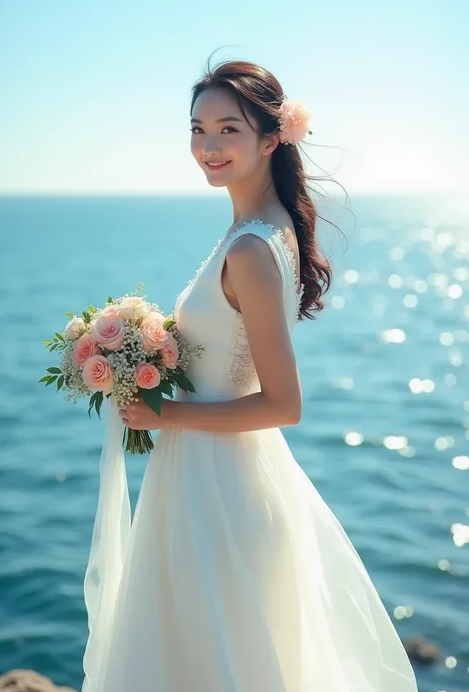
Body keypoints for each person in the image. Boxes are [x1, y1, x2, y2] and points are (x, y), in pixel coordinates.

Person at [81, 56, 419, 691]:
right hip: (213, 471)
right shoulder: (257, 229)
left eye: (228, 130)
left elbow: (284, 403)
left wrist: (169, 412)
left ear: (270, 139)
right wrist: (153, 355)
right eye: (198, 129)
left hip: (220, 488)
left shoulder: (251, 248)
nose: (208, 146)